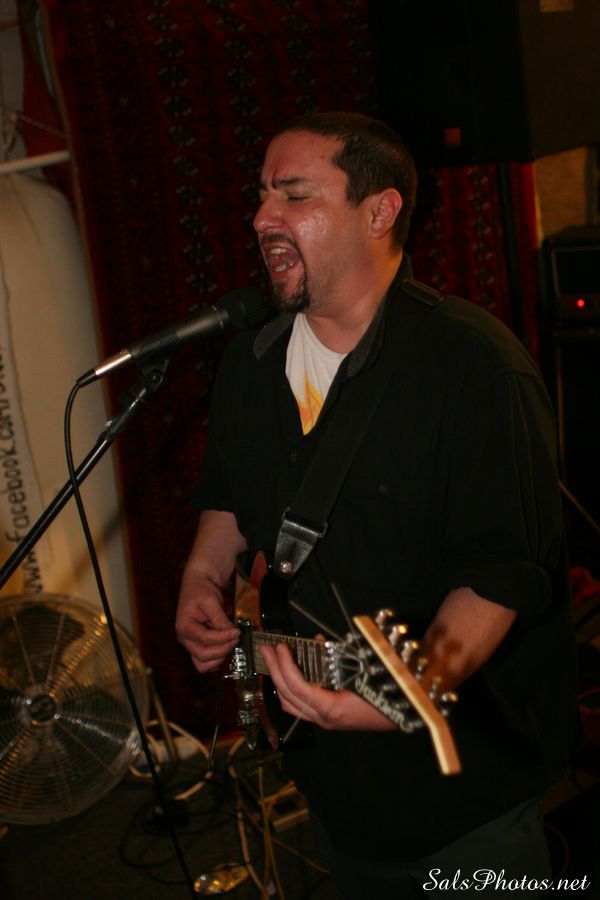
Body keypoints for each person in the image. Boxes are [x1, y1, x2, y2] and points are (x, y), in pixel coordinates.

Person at [176, 111, 578, 897]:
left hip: (463, 791)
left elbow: (500, 575)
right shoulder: (250, 364)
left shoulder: (474, 368)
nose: (262, 217)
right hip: (329, 778)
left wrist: (397, 697)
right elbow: (227, 495)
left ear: (379, 211)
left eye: (294, 194)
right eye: (261, 195)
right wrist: (201, 577)